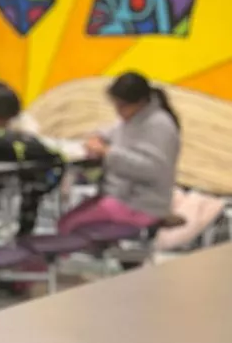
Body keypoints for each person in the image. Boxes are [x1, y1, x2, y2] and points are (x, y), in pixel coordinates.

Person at [59, 72, 180, 234]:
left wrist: (107, 152)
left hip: (141, 204)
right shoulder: (133, 118)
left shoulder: (159, 125)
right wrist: (96, 138)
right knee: (66, 221)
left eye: (122, 105)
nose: (118, 111)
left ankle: (62, 258)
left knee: (69, 225)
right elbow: (108, 132)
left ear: (141, 102)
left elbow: (152, 169)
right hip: (121, 197)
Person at [0, 82, 58, 246]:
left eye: (7, 120)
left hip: (10, 165)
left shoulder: (14, 111)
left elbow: (31, 134)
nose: (2, 124)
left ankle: (25, 237)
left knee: (35, 181)